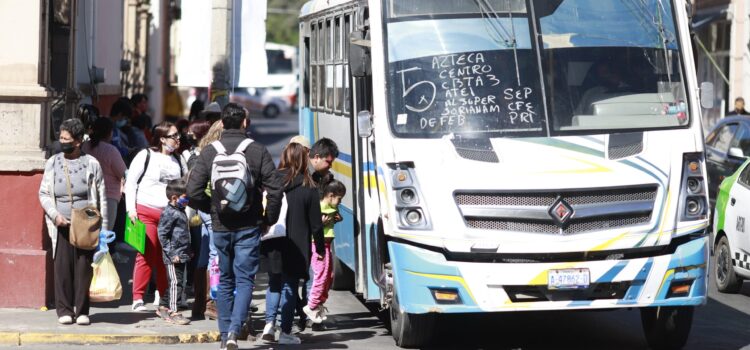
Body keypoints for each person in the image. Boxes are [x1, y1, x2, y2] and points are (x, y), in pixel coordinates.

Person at [186, 103, 283, 350]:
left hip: (220, 226)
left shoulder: (209, 152)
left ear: (221, 122)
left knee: (226, 279)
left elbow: (192, 191)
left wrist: (212, 208)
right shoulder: (257, 151)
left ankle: (224, 334)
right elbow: (275, 189)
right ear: (244, 123)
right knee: (245, 280)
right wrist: (268, 219)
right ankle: (233, 331)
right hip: (249, 224)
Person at [38, 118, 108, 326]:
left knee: (84, 267)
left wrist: (103, 230)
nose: (62, 141)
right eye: (60, 138)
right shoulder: (53, 162)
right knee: (62, 268)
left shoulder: (92, 164)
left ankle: (83, 310)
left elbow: (102, 198)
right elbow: (43, 193)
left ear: (78, 141)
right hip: (60, 224)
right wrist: (54, 214)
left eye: (66, 138)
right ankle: (64, 310)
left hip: (86, 225)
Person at [261, 143, 325, 344]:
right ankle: (285, 332)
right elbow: (316, 225)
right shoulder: (309, 188)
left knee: (274, 284)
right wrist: (320, 249)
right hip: (296, 245)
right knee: (289, 287)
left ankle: (269, 324)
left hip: (273, 240)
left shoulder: (273, 181)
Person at [124, 121, 187, 312]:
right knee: (145, 254)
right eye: (174, 136)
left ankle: (163, 295)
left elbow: (184, 187)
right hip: (145, 211)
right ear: (162, 139)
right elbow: (131, 183)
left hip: (171, 215)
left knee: (167, 257)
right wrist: (131, 210)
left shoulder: (179, 160)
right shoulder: (146, 155)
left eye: (178, 136)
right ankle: (138, 298)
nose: (178, 139)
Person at [296, 136, 339, 330]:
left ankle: (313, 313)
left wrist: (333, 215)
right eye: (328, 161)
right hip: (308, 235)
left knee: (321, 276)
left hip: (320, 235)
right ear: (317, 157)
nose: (331, 166)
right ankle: (308, 314)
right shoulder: (304, 176)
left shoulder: (326, 178)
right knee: (312, 277)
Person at [303, 179, 346, 324]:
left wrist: (337, 219)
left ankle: (319, 304)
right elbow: (310, 224)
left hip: (327, 245)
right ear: (330, 195)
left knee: (329, 275)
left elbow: (334, 217)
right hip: (317, 245)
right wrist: (319, 223)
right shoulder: (319, 207)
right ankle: (312, 306)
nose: (340, 202)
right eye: (339, 199)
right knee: (320, 275)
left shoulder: (332, 208)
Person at [194, 119, 224, 320]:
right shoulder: (218, 152)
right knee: (215, 253)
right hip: (212, 206)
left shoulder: (204, 150)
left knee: (205, 253)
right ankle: (212, 303)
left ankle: (200, 303)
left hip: (203, 207)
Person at [156, 178, 192, 325]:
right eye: (185, 198)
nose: (188, 200)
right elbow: (162, 234)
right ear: (174, 198)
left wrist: (189, 251)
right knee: (176, 283)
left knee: (177, 283)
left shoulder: (180, 210)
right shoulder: (169, 212)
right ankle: (174, 312)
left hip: (182, 254)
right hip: (173, 256)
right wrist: (171, 253)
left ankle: (163, 306)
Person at [81, 118, 127, 233]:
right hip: (108, 197)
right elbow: (123, 173)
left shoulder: (83, 147)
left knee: (86, 233)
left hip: (85, 195)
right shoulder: (111, 150)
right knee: (104, 235)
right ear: (109, 132)